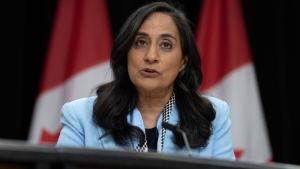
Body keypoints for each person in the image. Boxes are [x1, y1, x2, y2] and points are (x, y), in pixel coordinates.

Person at [56, 1, 235, 161]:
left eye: (166, 45)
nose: (151, 56)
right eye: (141, 42)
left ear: (183, 62)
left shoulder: (213, 116)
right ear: (126, 53)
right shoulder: (81, 117)